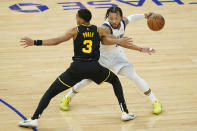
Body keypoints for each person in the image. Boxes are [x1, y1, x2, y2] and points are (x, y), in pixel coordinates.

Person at [18, 9, 136, 128]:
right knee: (115, 80)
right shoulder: (99, 30)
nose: (76, 18)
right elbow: (107, 41)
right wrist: (119, 40)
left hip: (77, 69)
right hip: (94, 68)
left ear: (80, 18)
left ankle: (34, 119)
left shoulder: (75, 30)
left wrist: (35, 42)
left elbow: (56, 41)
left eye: (76, 16)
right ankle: (125, 112)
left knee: (50, 92)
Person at [60, 7, 162, 115]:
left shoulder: (123, 22)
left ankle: (155, 101)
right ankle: (67, 97)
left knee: (134, 76)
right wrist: (140, 49)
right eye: (111, 18)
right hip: (101, 57)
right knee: (87, 79)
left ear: (120, 17)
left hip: (117, 56)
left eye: (116, 18)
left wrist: (145, 15)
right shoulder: (105, 28)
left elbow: (131, 18)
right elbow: (114, 42)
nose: (113, 21)